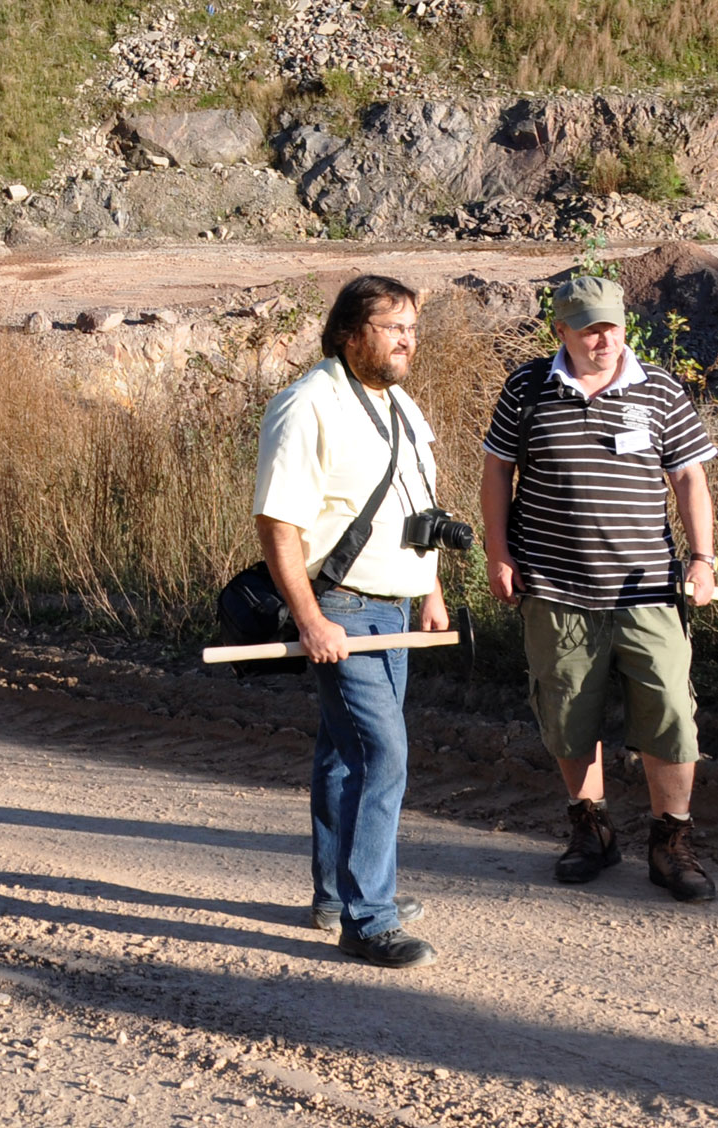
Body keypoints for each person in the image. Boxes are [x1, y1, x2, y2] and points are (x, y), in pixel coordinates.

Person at [480, 274, 718, 903]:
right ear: (561, 330)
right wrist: (498, 553)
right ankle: (591, 831)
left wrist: (703, 560)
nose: (604, 339)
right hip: (555, 587)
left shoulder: (660, 389)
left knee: (671, 714)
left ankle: (671, 842)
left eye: (612, 326)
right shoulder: (527, 387)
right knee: (569, 714)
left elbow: (690, 480)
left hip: (647, 590)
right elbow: (497, 471)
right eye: (589, 329)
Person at [253, 273, 449, 968]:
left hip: (394, 609)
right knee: (381, 755)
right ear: (347, 333)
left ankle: (338, 896)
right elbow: (278, 524)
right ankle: (369, 920)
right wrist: (309, 619)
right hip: (340, 608)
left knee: (344, 756)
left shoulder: (400, 405)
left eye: (412, 329)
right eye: (393, 328)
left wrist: (430, 589)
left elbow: (416, 508)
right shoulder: (307, 404)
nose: (407, 341)